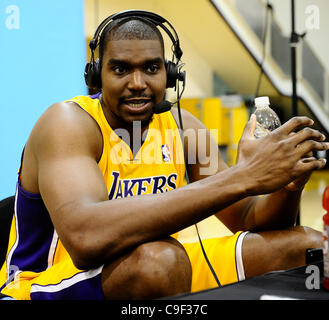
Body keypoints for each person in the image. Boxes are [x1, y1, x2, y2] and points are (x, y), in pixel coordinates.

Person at [0, 11, 328, 300]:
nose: (138, 83)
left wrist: (288, 183)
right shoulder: (67, 123)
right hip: (44, 284)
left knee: (308, 247)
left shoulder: (185, 128)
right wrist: (241, 176)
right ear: (97, 74)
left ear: (170, 75)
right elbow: (86, 241)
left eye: (151, 68)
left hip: (155, 264)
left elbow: (250, 221)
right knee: (160, 263)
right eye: (121, 69)